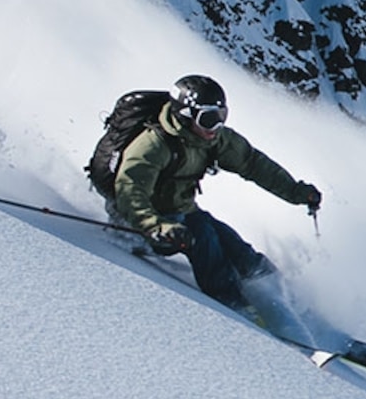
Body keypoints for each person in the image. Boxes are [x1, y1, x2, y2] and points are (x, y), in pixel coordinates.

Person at [107, 74, 323, 307]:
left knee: (237, 248)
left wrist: (295, 191)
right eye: (209, 118)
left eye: (222, 116)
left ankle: (288, 301)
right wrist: (155, 226)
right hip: (141, 224)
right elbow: (129, 191)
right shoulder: (153, 145)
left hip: (182, 212)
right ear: (187, 116)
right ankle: (235, 307)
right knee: (206, 240)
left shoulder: (213, 139)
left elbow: (253, 164)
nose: (217, 126)